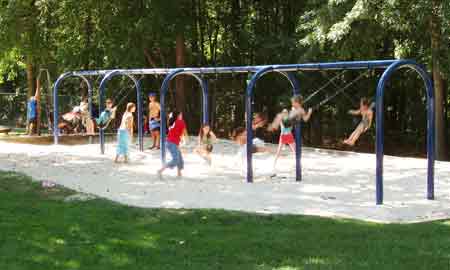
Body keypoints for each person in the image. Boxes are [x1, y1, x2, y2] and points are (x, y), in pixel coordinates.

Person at [157, 111, 186, 178]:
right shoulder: (180, 122)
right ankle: (160, 170)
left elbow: (177, 133)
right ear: (178, 115)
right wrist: (185, 140)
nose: (182, 116)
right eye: (181, 114)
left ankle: (179, 174)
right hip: (172, 143)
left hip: (170, 142)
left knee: (180, 159)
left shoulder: (172, 122)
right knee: (175, 159)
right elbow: (183, 132)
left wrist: (180, 141)